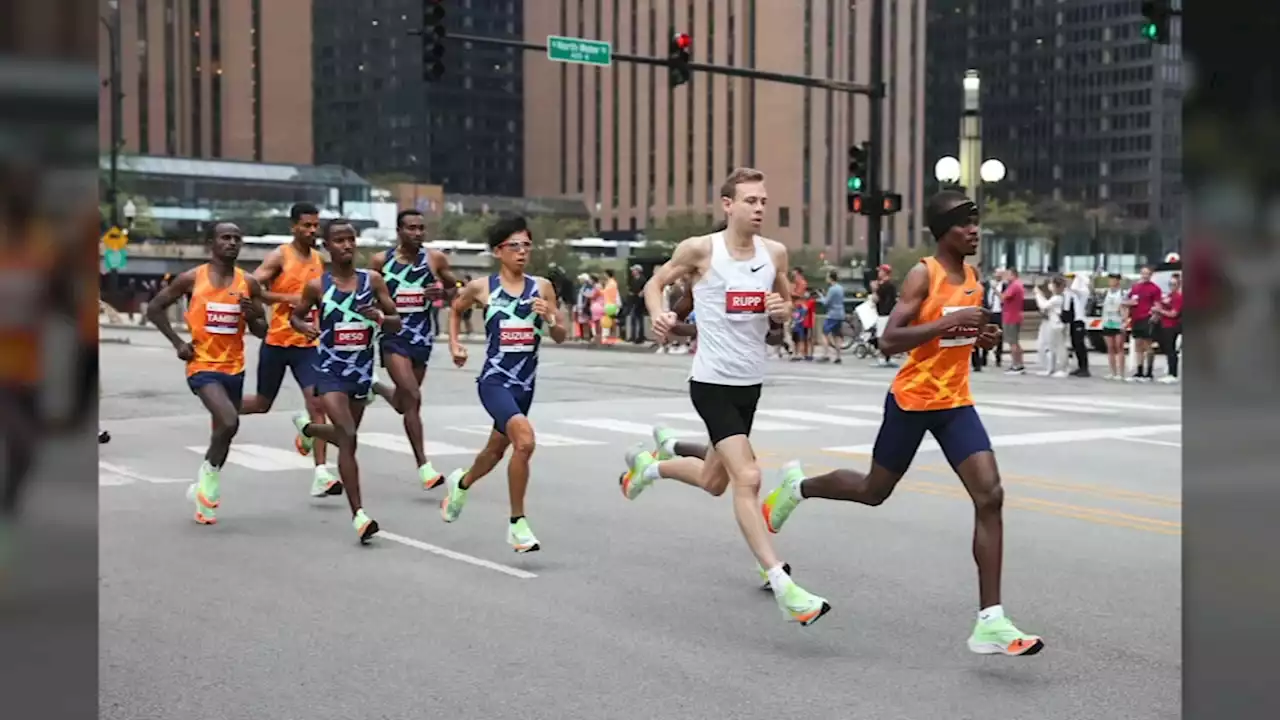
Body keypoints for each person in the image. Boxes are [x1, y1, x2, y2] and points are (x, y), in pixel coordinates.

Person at [761, 190, 1044, 656]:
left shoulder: (972, 276)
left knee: (990, 495)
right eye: (964, 224)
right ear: (943, 231)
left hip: (955, 402)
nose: (974, 231)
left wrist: (980, 334)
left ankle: (991, 621)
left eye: (976, 223)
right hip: (912, 401)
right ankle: (798, 487)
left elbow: (958, 337)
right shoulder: (922, 274)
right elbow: (890, 340)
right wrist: (947, 328)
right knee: (874, 491)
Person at [620, 167, 830, 626]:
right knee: (748, 478)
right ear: (728, 205)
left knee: (715, 481)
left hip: (749, 385)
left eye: (763, 201)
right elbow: (655, 284)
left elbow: (781, 325)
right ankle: (782, 583)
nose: (758, 209)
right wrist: (658, 315)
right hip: (711, 382)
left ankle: (649, 467)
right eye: (750, 200)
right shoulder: (700, 250)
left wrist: (781, 314)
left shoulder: (774, 254)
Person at [439, 216, 568, 553]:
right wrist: (455, 344)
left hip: (525, 386)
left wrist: (550, 318)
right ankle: (517, 524)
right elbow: (456, 309)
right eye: (515, 246)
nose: (522, 252)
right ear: (499, 251)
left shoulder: (542, 287)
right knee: (524, 442)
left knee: (496, 451)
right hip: (494, 381)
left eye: (527, 245)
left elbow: (560, 335)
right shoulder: (482, 287)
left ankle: (461, 483)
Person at [145, 223, 269, 524]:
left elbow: (263, 330)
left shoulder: (248, 283)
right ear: (210, 243)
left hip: (234, 368)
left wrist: (253, 315)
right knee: (229, 420)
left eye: (237, 238)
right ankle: (209, 475)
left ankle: (204, 494)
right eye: (225, 238)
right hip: (202, 366)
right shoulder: (192, 278)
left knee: (223, 433)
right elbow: (155, 308)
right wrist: (177, 343)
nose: (232, 243)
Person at [289, 219, 401, 543]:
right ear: (327, 246)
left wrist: (380, 317)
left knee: (344, 436)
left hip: (361, 373)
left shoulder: (374, 281)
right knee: (349, 436)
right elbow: (295, 315)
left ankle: (308, 429)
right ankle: (359, 515)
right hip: (329, 372)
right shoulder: (317, 287)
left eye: (351, 239)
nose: (347, 245)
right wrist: (304, 327)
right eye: (339, 240)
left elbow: (396, 323)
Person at [239, 202, 337, 497]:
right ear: (293, 226)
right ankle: (223, 406)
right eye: (306, 225)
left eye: (315, 225)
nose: (311, 231)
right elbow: (252, 285)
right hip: (277, 342)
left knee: (318, 404)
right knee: (260, 404)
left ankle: (321, 473)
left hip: (307, 343)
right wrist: (288, 297)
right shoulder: (281, 255)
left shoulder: (319, 259)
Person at [365, 208, 459, 489]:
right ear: (399, 231)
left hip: (422, 337)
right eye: (411, 228)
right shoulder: (381, 261)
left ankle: (377, 388)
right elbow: (367, 295)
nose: (417, 233)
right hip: (394, 337)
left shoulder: (434, 259)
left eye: (421, 228)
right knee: (414, 397)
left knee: (404, 402)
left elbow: (456, 290)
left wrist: (442, 292)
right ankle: (424, 467)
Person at [1124, 265, 1163, 382]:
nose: (1145, 275)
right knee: (1138, 345)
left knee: (1148, 345)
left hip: (1147, 318)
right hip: (1136, 318)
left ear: (1151, 275)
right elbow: (1129, 299)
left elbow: (1158, 304)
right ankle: (1139, 371)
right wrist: (1128, 304)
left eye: (1147, 273)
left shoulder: (1155, 289)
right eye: (1143, 273)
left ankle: (1149, 372)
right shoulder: (1135, 287)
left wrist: (1155, 315)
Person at [1099, 272, 1128, 380]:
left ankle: (1121, 373)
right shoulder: (1106, 292)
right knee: (1110, 348)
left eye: (1114, 279)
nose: (1112, 282)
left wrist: (1124, 322)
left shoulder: (1122, 293)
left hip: (1118, 322)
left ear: (1118, 281)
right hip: (1107, 322)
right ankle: (1113, 372)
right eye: (1110, 279)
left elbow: (1125, 308)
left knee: (1119, 347)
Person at [1000, 269, 1026, 374]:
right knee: (1015, 342)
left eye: (1007, 275)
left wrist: (994, 289)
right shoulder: (1018, 285)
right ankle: (1019, 364)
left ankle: (1016, 365)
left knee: (1012, 342)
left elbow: (1003, 297)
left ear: (1013, 275)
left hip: (1011, 316)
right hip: (1014, 315)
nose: (1006, 277)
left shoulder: (1014, 286)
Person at [872, 263, 897, 366]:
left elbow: (875, 299)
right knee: (889, 337)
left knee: (881, 336)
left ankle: (882, 358)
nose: (878, 273)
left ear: (884, 273)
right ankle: (889, 357)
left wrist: (874, 289)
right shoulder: (892, 285)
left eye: (880, 271)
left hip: (882, 313)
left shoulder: (882, 286)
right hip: (891, 313)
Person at [819, 270, 845, 363]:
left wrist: (821, 296)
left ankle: (825, 354)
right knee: (837, 335)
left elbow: (826, 302)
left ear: (830, 278)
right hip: (840, 313)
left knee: (824, 333)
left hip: (832, 314)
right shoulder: (841, 288)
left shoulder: (832, 289)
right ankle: (838, 356)